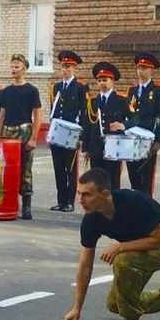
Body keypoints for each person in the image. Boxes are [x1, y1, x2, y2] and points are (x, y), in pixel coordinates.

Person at [58, 168, 160, 320]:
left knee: (122, 260)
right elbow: (85, 265)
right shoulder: (91, 219)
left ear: (104, 194)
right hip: (143, 245)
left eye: (87, 195)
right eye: (79, 193)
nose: (80, 200)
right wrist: (77, 307)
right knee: (115, 304)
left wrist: (120, 247)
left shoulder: (134, 202)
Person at [0, 54, 42, 220]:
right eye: (12, 66)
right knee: (6, 169)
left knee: (25, 169)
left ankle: (27, 206)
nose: (14, 69)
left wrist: (34, 138)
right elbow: (2, 114)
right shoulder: (6, 91)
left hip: (24, 132)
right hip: (8, 133)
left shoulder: (32, 90)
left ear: (24, 68)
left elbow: (37, 115)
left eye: (17, 66)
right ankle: (8, 203)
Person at [124, 52, 160, 197]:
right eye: (139, 68)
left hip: (148, 140)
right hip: (132, 139)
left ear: (151, 71)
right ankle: (136, 208)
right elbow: (129, 113)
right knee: (133, 175)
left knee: (146, 177)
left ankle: (147, 208)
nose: (140, 71)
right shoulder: (132, 90)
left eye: (144, 68)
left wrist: (158, 140)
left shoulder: (158, 89)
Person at [48, 50, 88, 212]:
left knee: (70, 168)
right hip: (57, 132)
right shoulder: (56, 87)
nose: (65, 70)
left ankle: (70, 201)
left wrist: (81, 135)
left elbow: (84, 112)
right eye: (63, 66)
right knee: (58, 168)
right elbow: (54, 111)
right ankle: (61, 200)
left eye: (69, 67)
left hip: (71, 134)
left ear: (74, 69)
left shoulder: (80, 87)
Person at [82, 62, 128, 190]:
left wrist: (123, 125)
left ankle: (113, 208)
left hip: (113, 147)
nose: (102, 83)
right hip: (95, 146)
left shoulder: (121, 100)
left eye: (105, 80)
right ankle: (97, 208)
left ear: (113, 82)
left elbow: (135, 119)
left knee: (112, 181)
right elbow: (88, 126)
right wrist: (85, 147)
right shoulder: (92, 101)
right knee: (96, 181)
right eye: (99, 80)